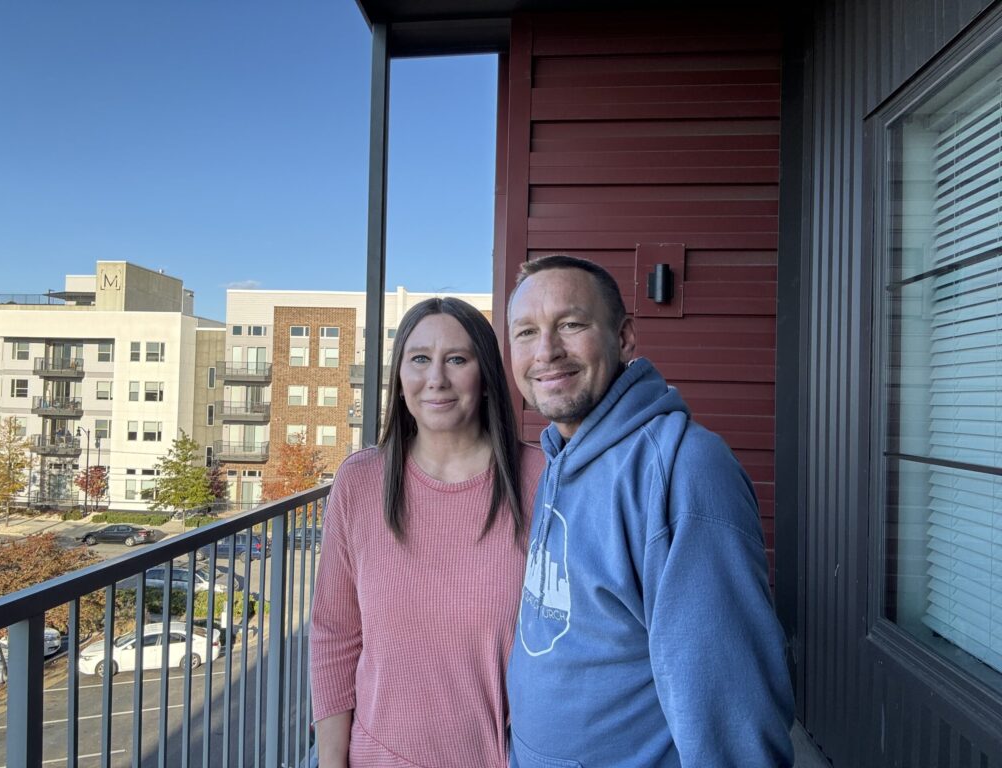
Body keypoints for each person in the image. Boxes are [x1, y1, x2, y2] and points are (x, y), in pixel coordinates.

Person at [506, 255, 794, 768]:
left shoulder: (683, 470)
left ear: (625, 338)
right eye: (526, 332)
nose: (546, 351)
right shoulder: (558, 457)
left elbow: (732, 712)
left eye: (571, 324)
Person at [308, 297, 543, 768]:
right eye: (419, 359)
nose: (436, 378)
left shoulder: (540, 477)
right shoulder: (360, 481)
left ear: (486, 376)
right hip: (377, 756)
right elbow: (334, 633)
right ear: (399, 377)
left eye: (457, 359)